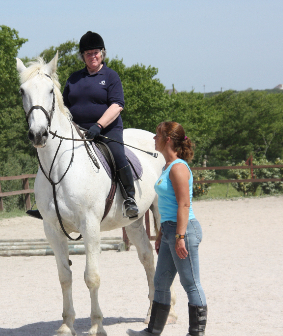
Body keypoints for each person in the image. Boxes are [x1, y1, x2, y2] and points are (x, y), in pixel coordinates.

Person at [27, 31, 138, 220]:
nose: (92, 56)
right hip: (77, 131)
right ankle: (48, 204)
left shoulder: (111, 76)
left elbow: (117, 105)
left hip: (107, 129)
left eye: (96, 52)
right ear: (82, 56)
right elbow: (63, 107)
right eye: (88, 53)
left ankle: (129, 198)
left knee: (118, 154)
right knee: (53, 157)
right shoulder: (73, 79)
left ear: (102, 53)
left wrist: (99, 125)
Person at [127, 122, 207, 336]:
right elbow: (167, 207)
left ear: (168, 139)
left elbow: (184, 205)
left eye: (157, 135)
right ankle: (152, 331)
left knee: (191, 283)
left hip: (184, 231)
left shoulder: (179, 168)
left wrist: (180, 236)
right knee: (161, 282)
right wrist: (162, 233)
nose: (154, 138)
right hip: (171, 230)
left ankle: (196, 333)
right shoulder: (166, 166)